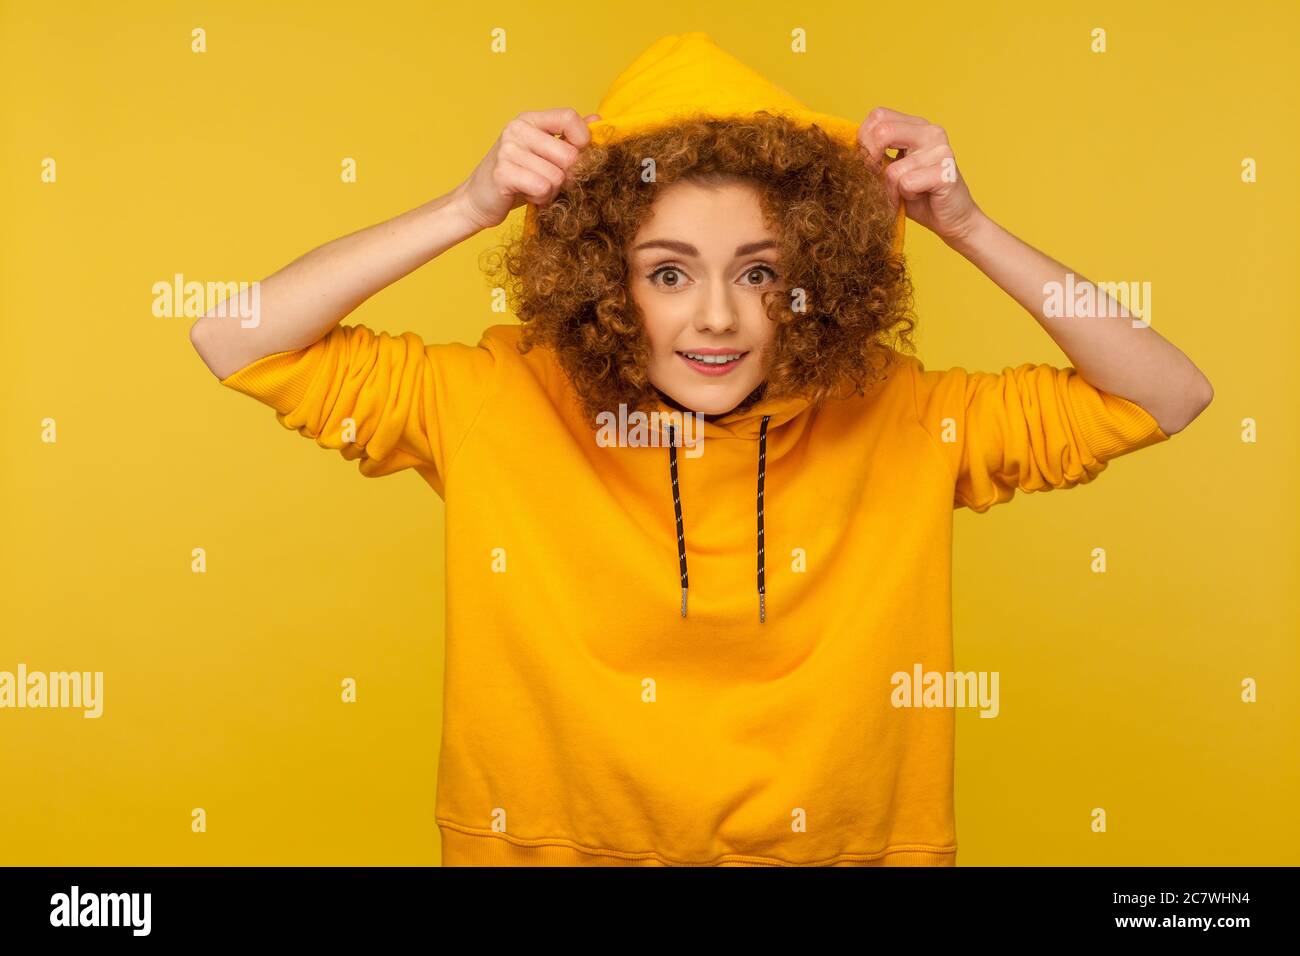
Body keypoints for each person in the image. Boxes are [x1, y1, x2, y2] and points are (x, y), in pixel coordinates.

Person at [190, 33, 1211, 866]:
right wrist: (468, 207)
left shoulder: (900, 417)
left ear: (812, 276)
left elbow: (1167, 392)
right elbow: (234, 334)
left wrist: (970, 226)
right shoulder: (494, 401)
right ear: (602, 277)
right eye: (668, 273)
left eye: (759, 272)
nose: (716, 316)